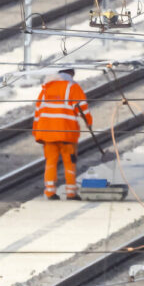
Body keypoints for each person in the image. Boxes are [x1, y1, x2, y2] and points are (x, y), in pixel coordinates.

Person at [34, 67, 94, 201]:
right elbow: (82, 108)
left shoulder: (45, 88)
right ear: (71, 73)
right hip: (67, 133)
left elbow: (37, 113)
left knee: (50, 162)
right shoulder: (72, 87)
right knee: (69, 162)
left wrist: (36, 132)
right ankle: (71, 193)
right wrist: (88, 122)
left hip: (47, 133)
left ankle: (50, 192)